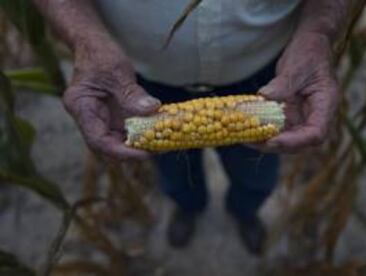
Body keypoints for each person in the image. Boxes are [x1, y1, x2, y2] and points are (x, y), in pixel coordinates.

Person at [33, 0, 345, 255]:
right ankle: (188, 207)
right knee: (172, 169)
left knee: (256, 169)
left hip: (268, 74)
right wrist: (85, 39)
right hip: (136, 78)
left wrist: (318, 31)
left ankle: (244, 211)